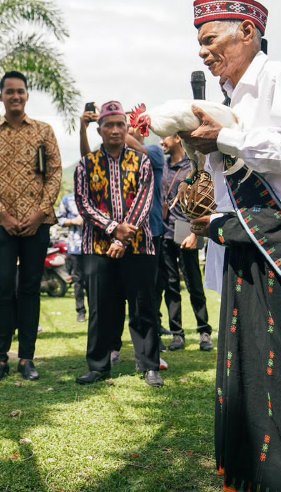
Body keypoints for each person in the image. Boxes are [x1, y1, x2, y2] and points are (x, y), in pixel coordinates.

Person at [183, 0, 281, 491]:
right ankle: (255, 477)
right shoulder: (229, 100)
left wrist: (224, 141)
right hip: (245, 240)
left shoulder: (279, 78)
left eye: (210, 40)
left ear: (246, 31)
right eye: (200, 43)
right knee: (245, 368)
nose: (204, 52)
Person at [0, 70, 62, 382]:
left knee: (29, 289)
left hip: (36, 224)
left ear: (27, 96)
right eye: (9, 91)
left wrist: (40, 213)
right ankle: (0, 359)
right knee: (0, 290)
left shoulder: (43, 131)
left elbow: (54, 173)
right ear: (1, 97)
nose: (15, 96)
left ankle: (26, 358)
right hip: (2, 225)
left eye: (20, 91)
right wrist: (3, 214)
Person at [74, 101, 164, 388]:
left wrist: (124, 236)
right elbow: (83, 203)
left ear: (127, 129)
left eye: (120, 125)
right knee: (101, 307)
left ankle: (149, 365)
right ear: (99, 130)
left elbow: (144, 200)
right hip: (97, 248)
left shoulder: (142, 162)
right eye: (109, 125)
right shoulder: (85, 165)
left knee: (143, 305)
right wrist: (114, 229)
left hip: (139, 247)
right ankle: (99, 366)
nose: (115, 130)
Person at [156, 133, 213, 353]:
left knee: (194, 286)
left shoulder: (194, 166)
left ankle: (204, 332)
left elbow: (204, 201)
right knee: (171, 287)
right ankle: (177, 335)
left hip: (188, 233)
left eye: (165, 138)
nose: (162, 142)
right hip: (166, 235)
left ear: (178, 139)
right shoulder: (162, 166)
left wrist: (196, 234)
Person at [57, 191, 86, 322]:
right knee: (78, 281)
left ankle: (96, 312)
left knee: (94, 281)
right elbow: (59, 219)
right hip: (75, 247)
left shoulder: (94, 196)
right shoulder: (68, 199)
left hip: (94, 247)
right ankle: (81, 311)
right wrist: (73, 221)